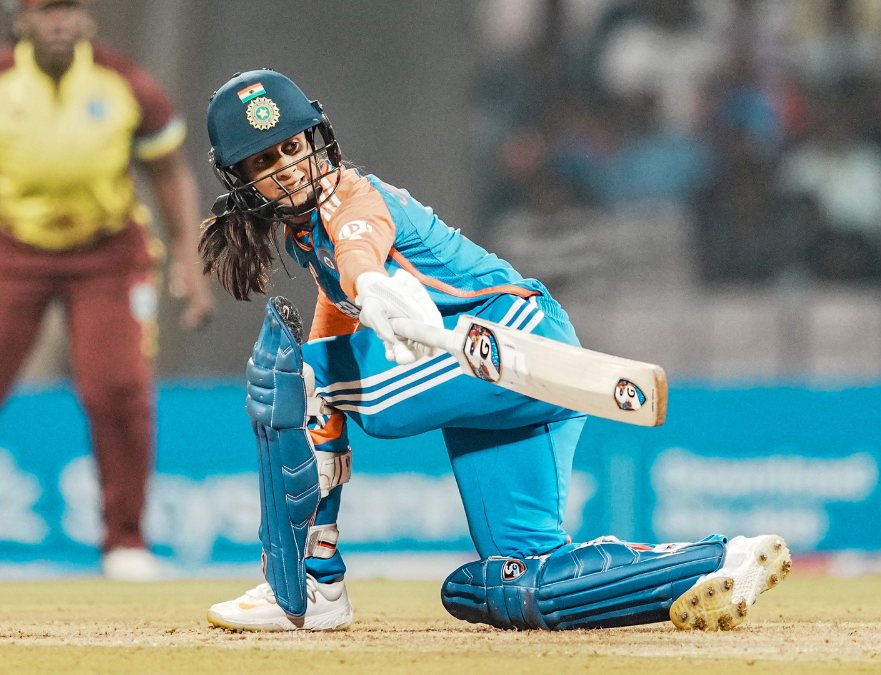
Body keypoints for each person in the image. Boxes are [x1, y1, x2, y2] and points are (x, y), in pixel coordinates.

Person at [199, 69, 790, 632]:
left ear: (316, 139)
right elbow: (337, 307)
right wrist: (353, 316)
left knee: (294, 379)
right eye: (264, 161)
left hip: (511, 338)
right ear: (240, 180)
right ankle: (716, 561)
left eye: (292, 146)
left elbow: (359, 245)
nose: (288, 168)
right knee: (516, 584)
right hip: (490, 374)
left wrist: (368, 286)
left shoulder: (350, 198)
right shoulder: (305, 234)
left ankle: (309, 586)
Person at [0, 0, 214, 580]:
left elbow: (168, 171)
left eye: (71, 9)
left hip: (107, 253)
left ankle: (125, 541)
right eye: (48, 11)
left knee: (118, 388)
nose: (61, 21)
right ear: (22, 20)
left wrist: (188, 257)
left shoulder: (123, 83)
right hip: (13, 249)